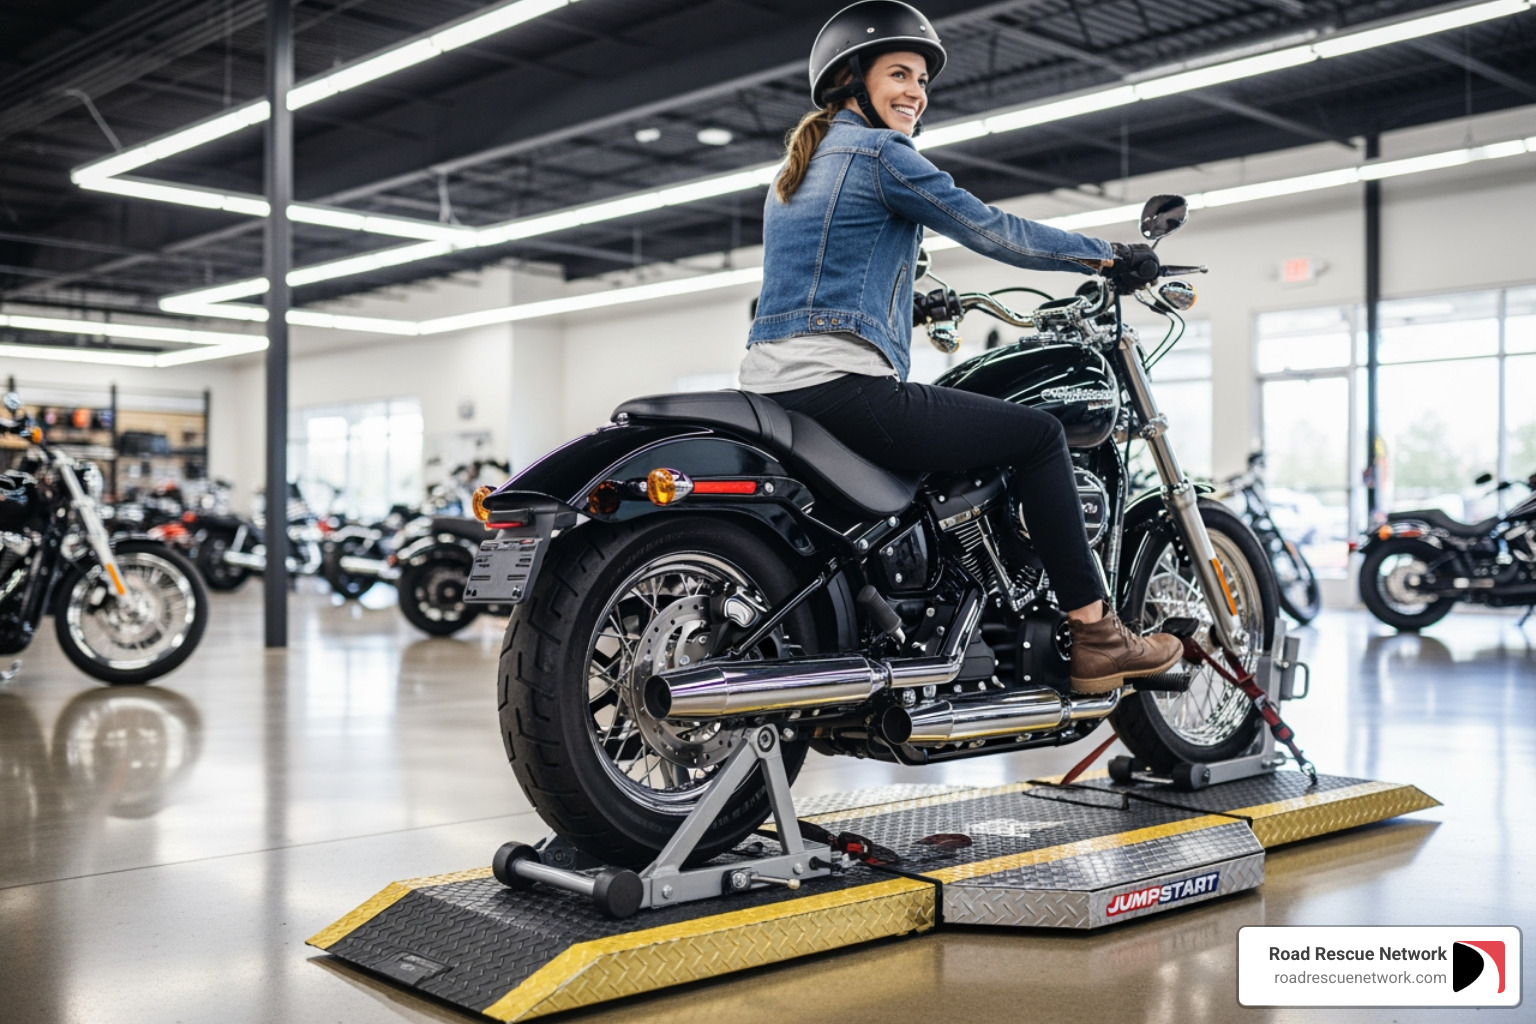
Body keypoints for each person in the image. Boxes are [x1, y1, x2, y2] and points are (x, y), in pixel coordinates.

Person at [740, 0, 1181, 694]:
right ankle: (1098, 634)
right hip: (843, 388)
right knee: (1037, 436)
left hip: (776, 388)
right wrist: (1106, 258)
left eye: (921, 79)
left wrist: (906, 304)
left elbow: (823, 280)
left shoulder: (796, 172)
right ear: (851, 81)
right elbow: (993, 231)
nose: (916, 91)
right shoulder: (881, 154)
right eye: (899, 74)